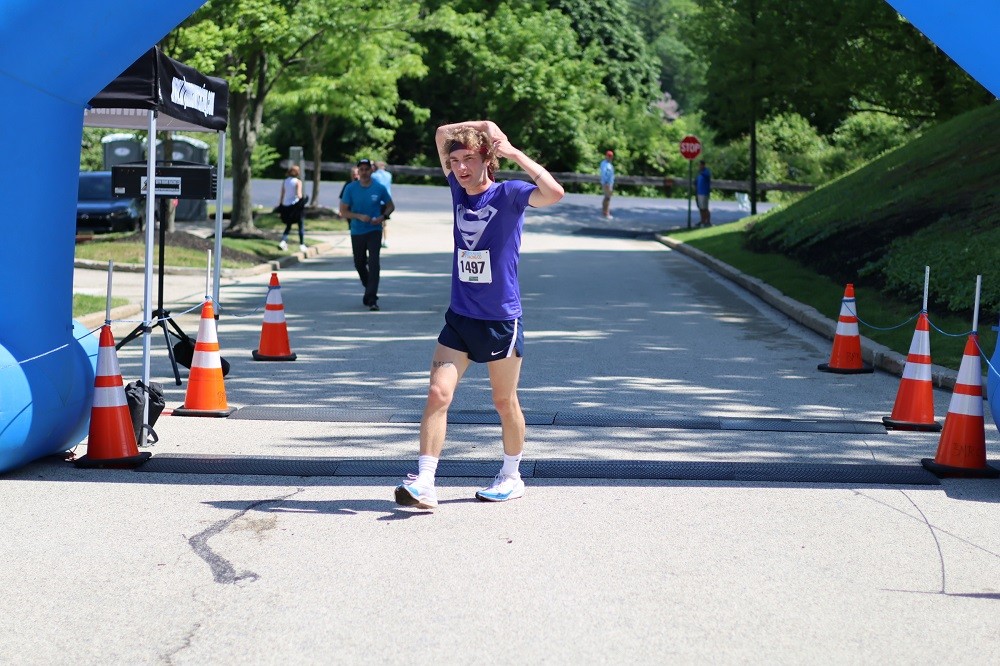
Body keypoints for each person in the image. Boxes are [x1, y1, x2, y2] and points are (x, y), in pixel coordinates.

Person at [393, 120, 564, 510]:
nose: (461, 168)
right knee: (438, 393)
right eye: (454, 161)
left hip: (500, 319)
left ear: (487, 159)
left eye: (469, 158)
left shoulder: (510, 194)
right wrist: (480, 126)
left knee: (505, 402)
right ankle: (425, 482)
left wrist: (512, 150)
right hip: (461, 316)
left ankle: (511, 475)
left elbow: (554, 193)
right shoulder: (458, 189)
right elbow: (440, 133)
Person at [339, 158, 393, 311]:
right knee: (359, 263)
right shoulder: (350, 188)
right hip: (357, 230)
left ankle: (372, 298)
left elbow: (390, 206)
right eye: (361, 169)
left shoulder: (379, 187)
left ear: (371, 170)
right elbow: (343, 211)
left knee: (374, 263)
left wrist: (382, 217)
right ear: (358, 171)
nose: (364, 172)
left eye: (366, 169)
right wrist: (358, 216)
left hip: (374, 231)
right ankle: (369, 286)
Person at [277, 165, 307, 253]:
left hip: (286, 206)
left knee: (288, 225)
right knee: (300, 225)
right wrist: (303, 200)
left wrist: (280, 206)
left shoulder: (285, 181)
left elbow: (282, 195)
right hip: (295, 206)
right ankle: (302, 244)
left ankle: (283, 241)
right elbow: (299, 194)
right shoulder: (298, 182)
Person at [371, 161, 393, 248]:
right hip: (386, 200)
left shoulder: (374, 175)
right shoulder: (388, 175)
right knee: (384, 222)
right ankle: (386, 240)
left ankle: (377, 239)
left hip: (376, 200)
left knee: (376, 221)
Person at [599, 149, 615, 219]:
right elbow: (605, 174)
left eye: (611, 156)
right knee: (608, 198)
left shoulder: (605, 163)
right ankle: (607, 213)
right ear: (606, 156)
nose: (610, 157)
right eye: (608, 156)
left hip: (608, 183)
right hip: (607, 183)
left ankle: (604, 211)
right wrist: (606, 183)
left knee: (606, 197)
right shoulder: (606, 165)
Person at [696, 160, 712, 227]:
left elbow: (707, 177)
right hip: (699, 192)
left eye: (700, 165)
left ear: (703, 165)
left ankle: (708, 221)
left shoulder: (706, 172)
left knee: (705, 208)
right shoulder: (699, 174)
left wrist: (701, 172)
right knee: (700, 208)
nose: (699, 166)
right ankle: (702, 220)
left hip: (704, 192)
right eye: (699, 165)